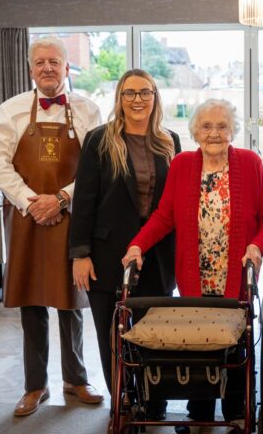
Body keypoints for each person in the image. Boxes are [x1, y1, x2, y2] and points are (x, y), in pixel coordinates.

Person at [121, 98, 263, 432]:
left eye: (222, 126)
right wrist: (138, 244)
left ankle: (237, 411)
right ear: (195, 131)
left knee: (235, 343)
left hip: (235, 273)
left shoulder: (250, 163)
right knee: (198, 343)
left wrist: (255, 246)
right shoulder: (181, 165)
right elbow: (165, 216)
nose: (214, 133)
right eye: (207, 126)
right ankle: (200, 415)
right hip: (196, 275)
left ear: (232, 130)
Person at [0, 36, 103, 416]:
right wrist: (30, 201)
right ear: (30, 68)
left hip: (72, 215)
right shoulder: (11, 110)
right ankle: (35, 386)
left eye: (54, 61)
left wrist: (62, 199)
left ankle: (77, 379)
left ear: (67, 68)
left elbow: (94, 167)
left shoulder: (88, 110)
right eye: (40, 62)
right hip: (26, 217)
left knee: (72, 299)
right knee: (31, 300)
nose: (47, 68)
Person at [68, 69, 180, 418]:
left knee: (156, 335)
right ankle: (123, 401)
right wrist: (80, 254)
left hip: (158, 256)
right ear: (119, 98)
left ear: (155, 96)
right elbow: (83, 200)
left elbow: (177, 201)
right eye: (129, 93)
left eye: (144, 92)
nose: (137, 100)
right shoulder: (100, 140)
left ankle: (155, 403)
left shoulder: (170, 140)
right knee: (111, 338)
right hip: (106, 255)